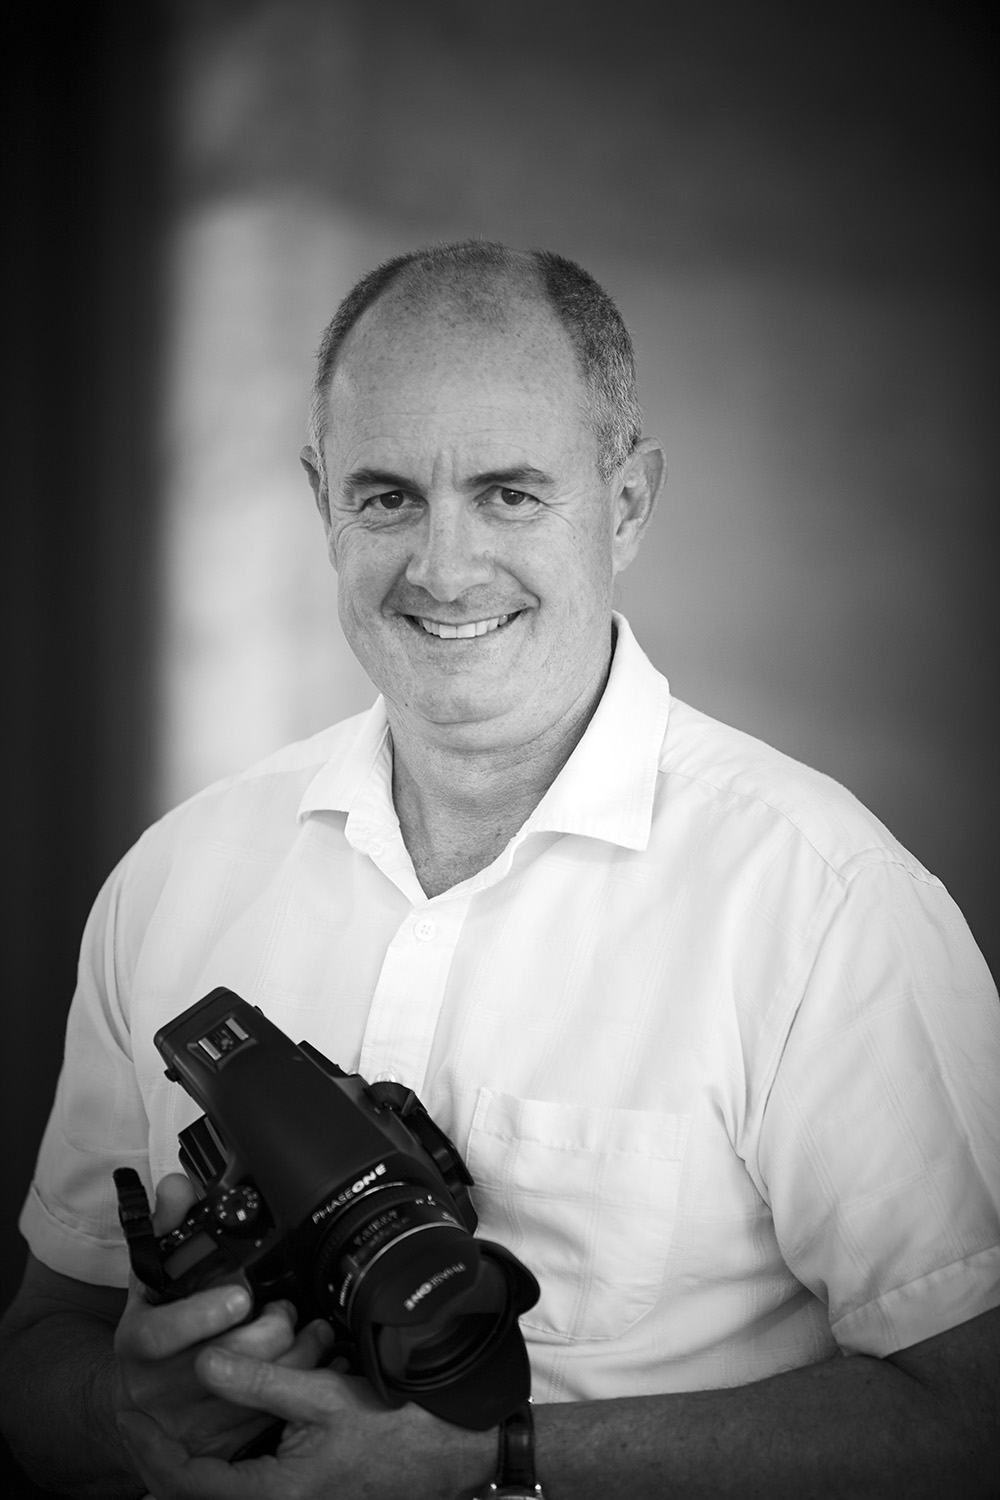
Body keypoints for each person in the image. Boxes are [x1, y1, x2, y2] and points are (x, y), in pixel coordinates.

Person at [0, 240, 997, 1500]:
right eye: (385, 498)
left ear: (626, 502)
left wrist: (491, 1461)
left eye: (511, 494)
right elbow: (45, 1345)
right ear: (320, 501)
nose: (444, 567)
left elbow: (974, 1420)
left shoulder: (821, 902)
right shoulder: (174, 879)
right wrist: (122, 1408)